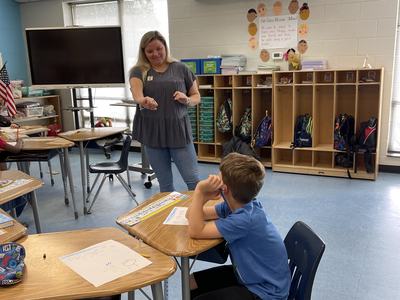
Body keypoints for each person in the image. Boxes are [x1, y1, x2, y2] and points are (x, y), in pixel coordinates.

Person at [187, 153, 291, 300]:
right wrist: (204, 197)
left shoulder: (243, 220)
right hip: (249, 276)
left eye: (219, 177)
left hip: (265, 292)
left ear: (225, 189)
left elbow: (195, 231)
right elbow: (191, 216)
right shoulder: (237, 206)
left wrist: (199, 191)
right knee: (191, 282)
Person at [129, 30, 201, 192]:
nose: (155, 54)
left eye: (158, 48)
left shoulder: (181, 68)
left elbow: (196, 96)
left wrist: (187, 99)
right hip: (153, 133)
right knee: (166, 186)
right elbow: (137, 93)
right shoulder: (138, 71)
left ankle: (199, 215)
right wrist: (143, 101)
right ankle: (169, 216)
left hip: (179, 131)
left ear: (165, 47)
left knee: (194, 182)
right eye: (150, 51)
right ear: (144, 52)